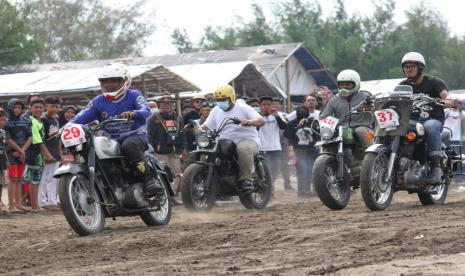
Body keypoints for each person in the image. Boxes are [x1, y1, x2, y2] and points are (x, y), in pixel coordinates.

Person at [71, 63, 163, 197]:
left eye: (113, 81)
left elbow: (146, 109)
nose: (109, 84)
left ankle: (149, 181)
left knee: (129, 145)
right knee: (94, 150)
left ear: (124, 80)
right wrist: (64, 128)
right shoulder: (98, 101)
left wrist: (134, 113)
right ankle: (109, 188)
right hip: (111, 140)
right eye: (105, 81)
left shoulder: (134, 95)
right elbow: (79, 117)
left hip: (136, 136)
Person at [399, 52, 451, 184]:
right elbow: (394, 100)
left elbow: (445, 94)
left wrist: (447, 100)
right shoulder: (403, 86)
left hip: (432, 118)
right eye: (406, 67)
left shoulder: (433, 82)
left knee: (430, 127)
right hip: (412, 121)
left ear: (420, 68)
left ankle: (436, 167)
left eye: (412, 66)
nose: (408, 69)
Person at [201, 84, 265, 192]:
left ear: (231, 98)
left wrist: (250, 122)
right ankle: (203, 179)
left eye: (223, 99)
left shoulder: (243, 108)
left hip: (246, 139)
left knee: (243, 149)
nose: (220, 102)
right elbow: (206, 126)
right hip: (223, 142)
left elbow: (261, 121)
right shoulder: (215, 110)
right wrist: (196, 128)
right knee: (205, 152)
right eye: (218, 99)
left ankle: (246, 179)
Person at [320, 69, 374, 151]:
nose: (344, 87)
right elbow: (323, 117)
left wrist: (370, 108)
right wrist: (314, 121)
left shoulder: (365, 96)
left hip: (364, 127)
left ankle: (371, 156)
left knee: (360, 131)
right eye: (342, 84)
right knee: (331, 134)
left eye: (347, 84)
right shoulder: (334, 100)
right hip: (342, 128)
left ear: (356, 84)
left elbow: (375, 107)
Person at [146, 93, 186, 193]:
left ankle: (174, 194)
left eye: (169, 104)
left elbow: (182, 133)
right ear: (159, 105)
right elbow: (149, 135)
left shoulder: (178, 117)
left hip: (175, 151)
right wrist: (151, 150)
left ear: (173, 105)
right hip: (160, 152)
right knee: (165, 174)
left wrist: (183, 148)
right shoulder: (153, 118)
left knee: (177, 174)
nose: (167, 106)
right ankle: (166, 196)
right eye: (164, 104)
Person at [23, 98, 55, 212]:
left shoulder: (39, 121)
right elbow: (38, 141)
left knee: (35, 180)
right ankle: (35, 206)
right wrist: (48, 155)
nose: (38, 109)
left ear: (44, 108)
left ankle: (34, 205)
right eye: (35, 107)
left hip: (37, 155)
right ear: (30, 108)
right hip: (35, 154)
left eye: (40, 107)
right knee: (34, 181)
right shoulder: (32, 121)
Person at [285, 105, 319, 197]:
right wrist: (290, 150)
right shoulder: (292, 124)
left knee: (310, 171)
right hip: (299, 151)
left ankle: (307, 190)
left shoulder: (312, 123)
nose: (303, 112)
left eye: (305, 110)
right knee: (302, 170)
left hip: (311, 151)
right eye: (301, 110)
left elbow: (317, 137)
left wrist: (312, 139)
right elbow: (289, 138)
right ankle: (301, 191)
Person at [5, 98, 32, 213]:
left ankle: (18, 204)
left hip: (22, 153)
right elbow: (8, 139)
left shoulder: (26, 121)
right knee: (12, 179)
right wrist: (20, 150)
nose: (17, 110)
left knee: (20, 179)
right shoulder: (6, 122)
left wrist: (23, 150)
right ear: (10, 108)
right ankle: (11, 206)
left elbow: (30, 137)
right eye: (15, 107)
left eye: (19, 108)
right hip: (11, 153)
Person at [258, 96, 287, 192]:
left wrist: (277, 116)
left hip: (276, 148)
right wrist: (260, 118)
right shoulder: (256, 117)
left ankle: (269, 188)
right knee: (266, 170)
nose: (266, 106)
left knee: (275, 171)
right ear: (260, 106)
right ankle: (268, 190)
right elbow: (254, 129)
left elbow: (284, 127)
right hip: (263, 149)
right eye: (264, 104)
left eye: (268, 104)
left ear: (272, 105)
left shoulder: (277, 115)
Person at [39, 96, 62, 210]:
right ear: (46, 106)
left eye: (57, 106)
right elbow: (42, 138)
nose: (55, 108)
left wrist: (60, 154)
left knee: (54, 178)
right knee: (44, 178)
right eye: (52, 106)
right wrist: (46, 154)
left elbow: (57, 139)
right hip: (47, 152)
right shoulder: (44, 119)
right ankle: (42, 202)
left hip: (55, 151)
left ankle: (52, 201)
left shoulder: (56, 119)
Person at [272, 98, 294, 191]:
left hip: (283, 142)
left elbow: (288, 128)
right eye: (274, 104)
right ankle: (271, 185)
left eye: (277, 104)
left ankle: (287, 184)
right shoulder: (268, 115)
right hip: (272, 142)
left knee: (284, 163)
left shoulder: (284, 115)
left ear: (280, 105)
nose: (276, 106)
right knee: (274, 164)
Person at [0, 109, 9, 210]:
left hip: (1, 158)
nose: (2, 122)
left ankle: (0, 200)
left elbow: (4, 147)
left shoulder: (3, 132)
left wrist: (6, 159)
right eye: (0, 120)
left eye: (3, 120)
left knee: (1, 182)